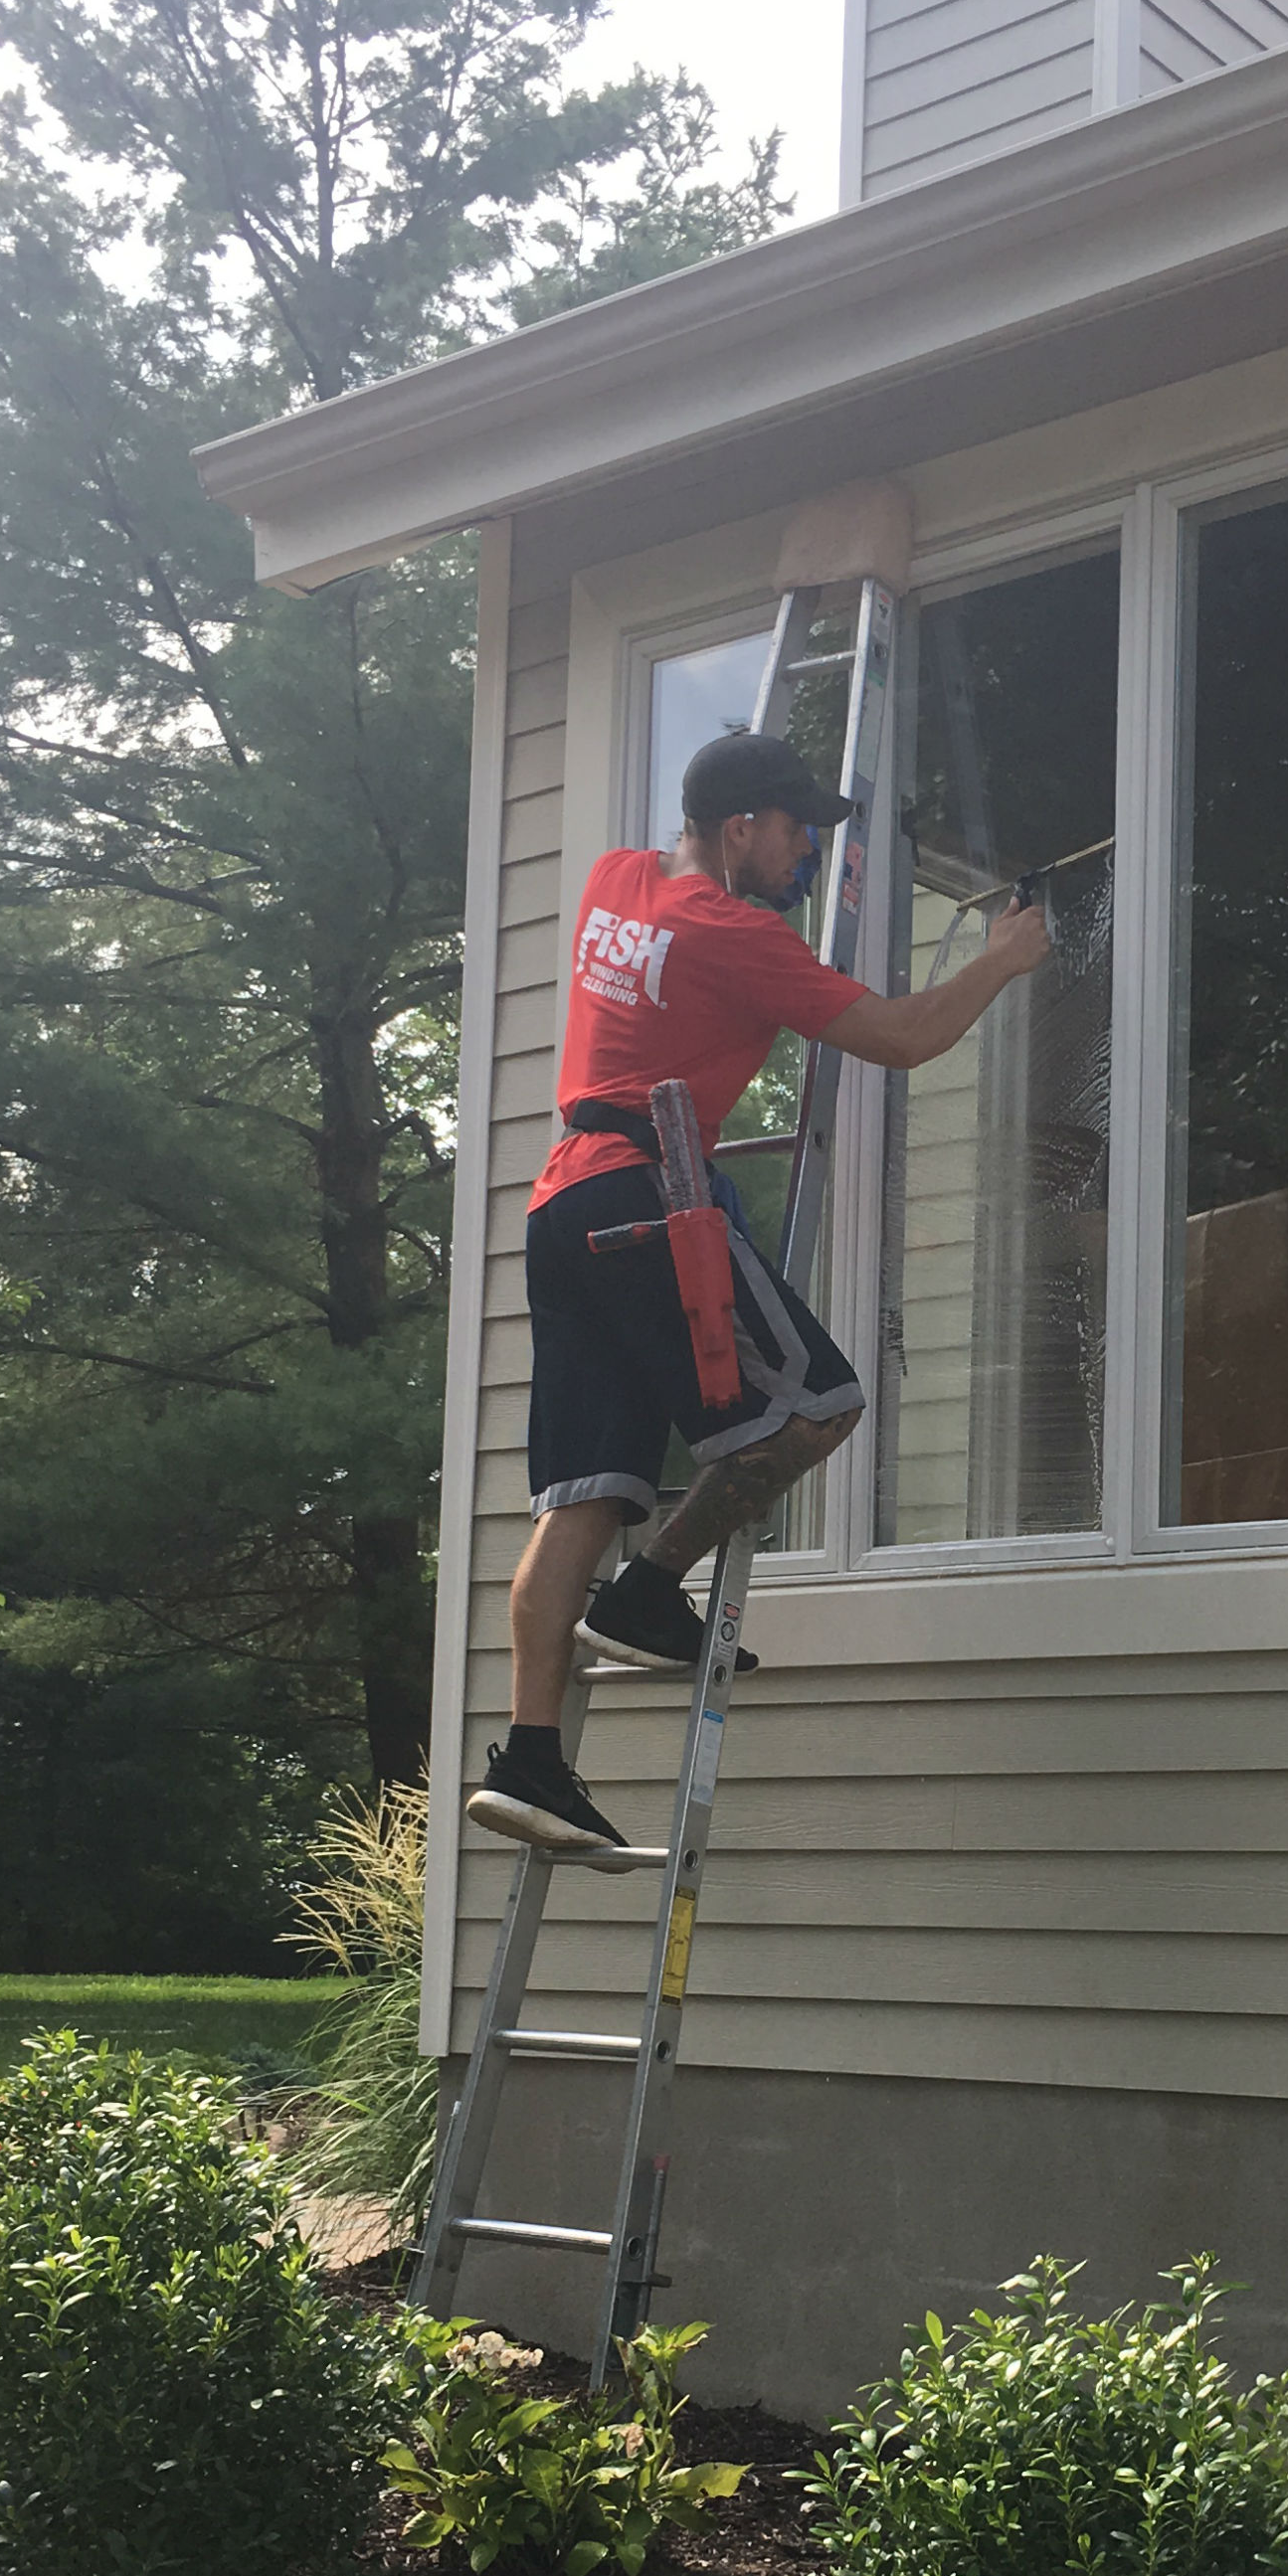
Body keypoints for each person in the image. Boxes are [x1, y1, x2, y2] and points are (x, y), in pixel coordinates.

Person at [466, 725, 1047, 1860]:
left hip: (562, 1205)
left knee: (577, 1498)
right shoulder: (730, 932)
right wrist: (1002, 957)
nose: (803, 862)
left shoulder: (616, 882)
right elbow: (898, 1035)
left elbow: (686, 899)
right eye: (792, 835)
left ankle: (530, 1756)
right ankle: (648, 1595)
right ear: (739, 829)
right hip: (646, 1197)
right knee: (818, 1406)